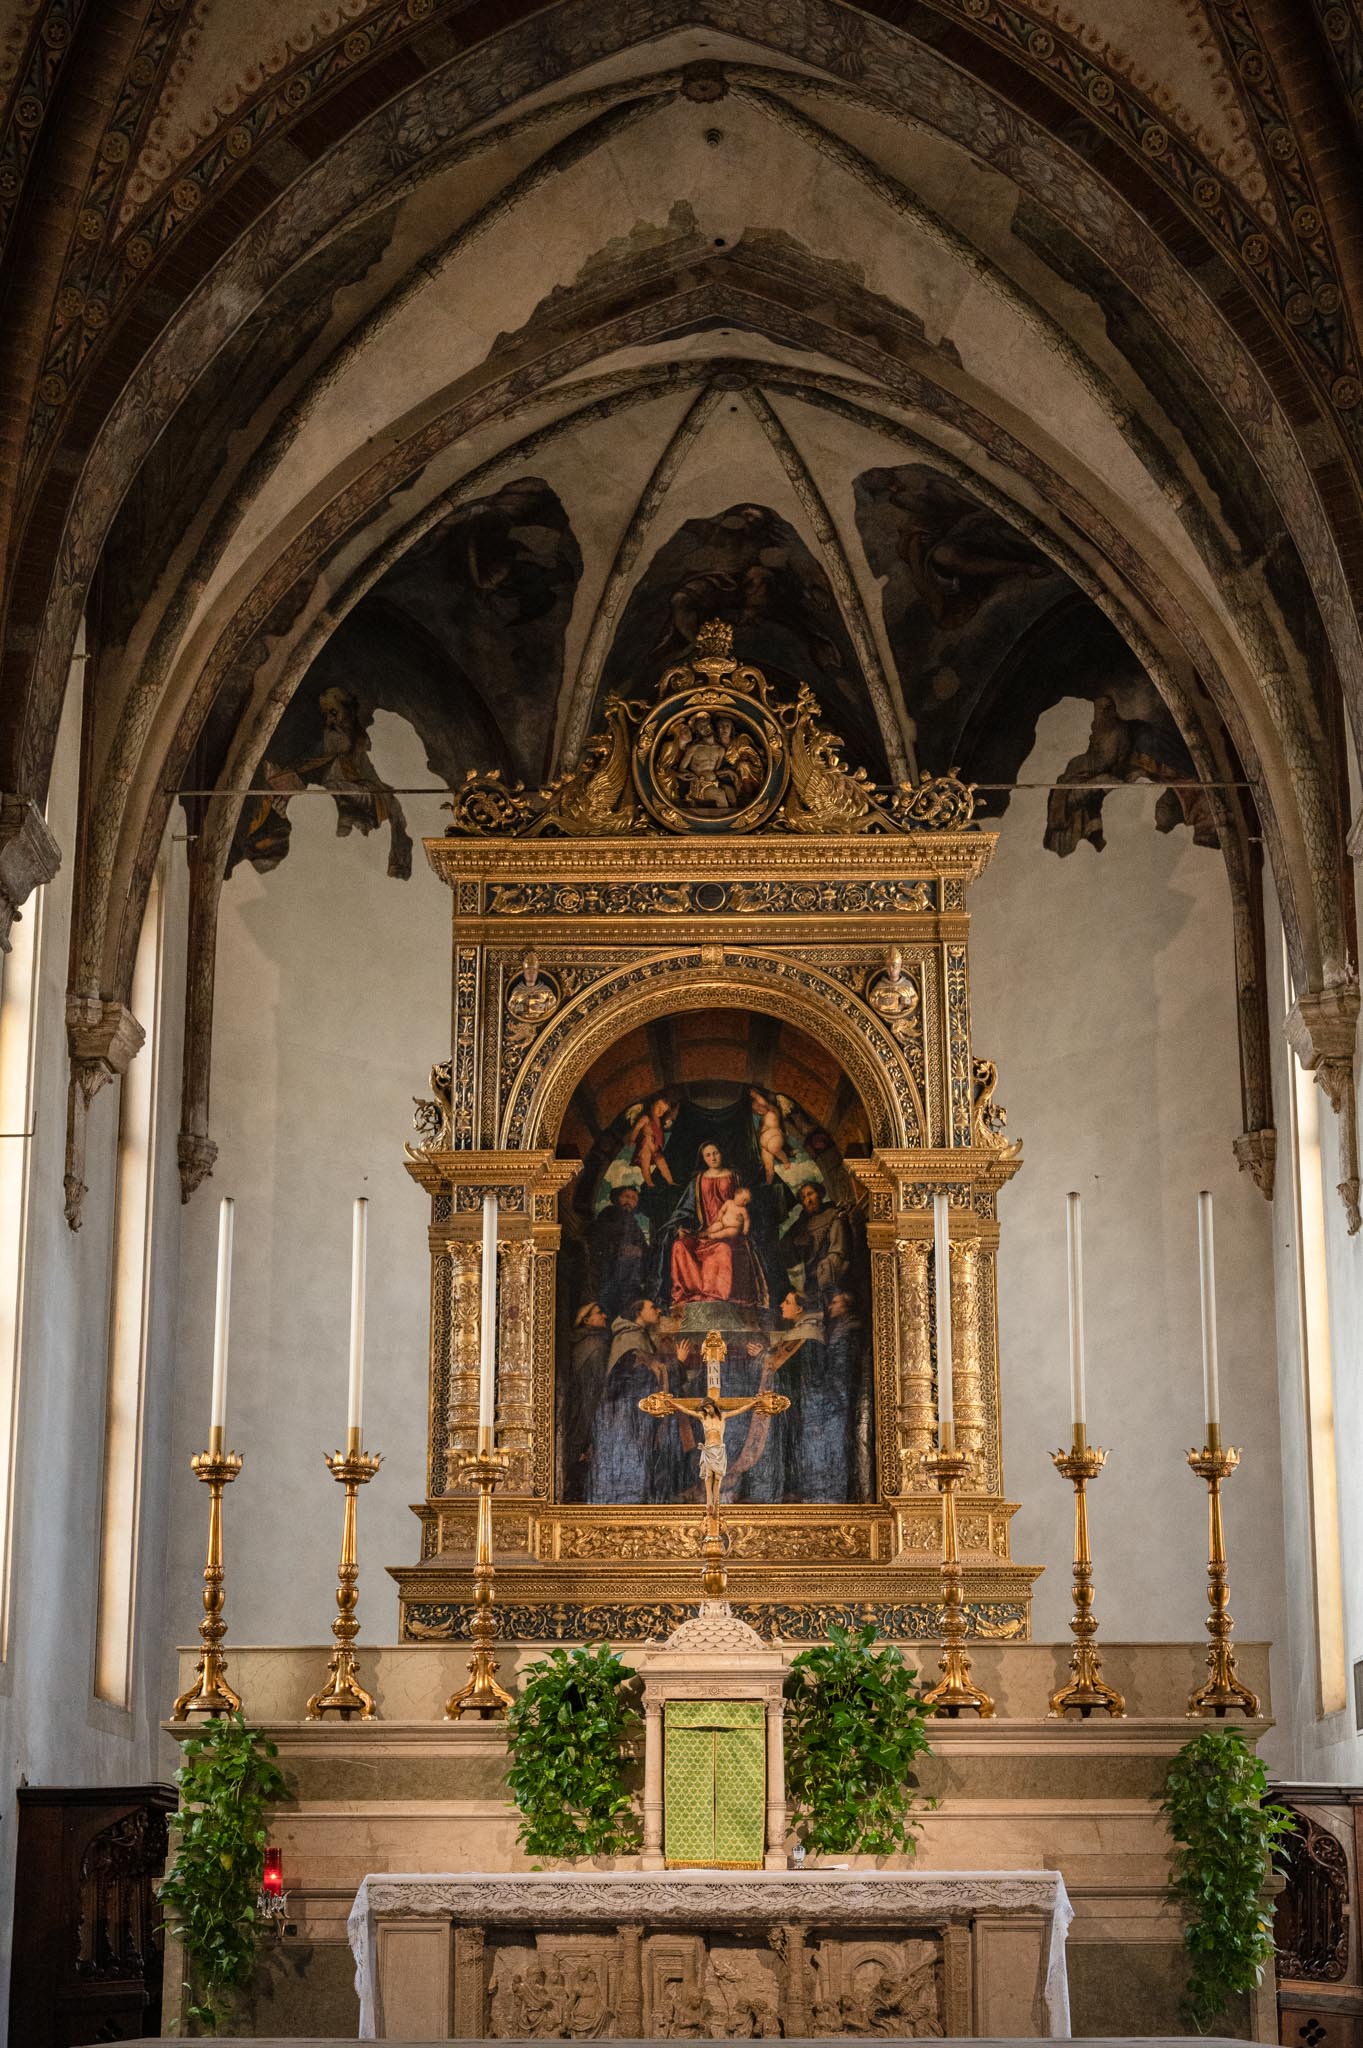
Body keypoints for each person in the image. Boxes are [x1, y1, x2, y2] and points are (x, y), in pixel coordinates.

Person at [658, 1143, 768, 1308]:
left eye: (715, 1153)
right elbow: (685, 1208)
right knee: (679, 1246)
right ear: (703, 1158)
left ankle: (717, 1296)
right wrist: (682, 1226)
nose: (713, 1158)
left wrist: (741, 1222)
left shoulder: (736, 1177)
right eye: (708, 1155)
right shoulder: (698, 1180)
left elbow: (751, 1204)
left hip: (730, 1232)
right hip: (704, 1231)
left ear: (721, 1153)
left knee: (722, 1249)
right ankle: (694, 1294)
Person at [587, 1299, 664, 1504]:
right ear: (639, 1312)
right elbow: (627, 1378)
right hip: (625, 1410)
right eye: (652, 1308)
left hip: (635, 1409)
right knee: (628, 1453)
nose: (658, 1311)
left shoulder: (639, 1336)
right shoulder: (629, 1339)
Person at [784, 1180, 851, 1309]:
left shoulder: (834, 1215)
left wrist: (825, 1277)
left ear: (819, 1194)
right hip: (811, 1280)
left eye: (810, 1194)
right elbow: (786, 1248)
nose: (808, 1200)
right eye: (803, 1198)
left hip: (832, 1275)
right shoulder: (802, 1224)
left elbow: (838, 1251)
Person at [588, 1184, 650, 1321]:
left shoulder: (634, 1222)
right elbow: (601, 1237)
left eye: (633, 1198)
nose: (629, 1201)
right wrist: (621, 1249)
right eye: (626, 1196)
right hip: (610, 1264)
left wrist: (639, 1251)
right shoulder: (609, 1213)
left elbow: (643, 1246)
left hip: (631, 1269)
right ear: (618, 1198)